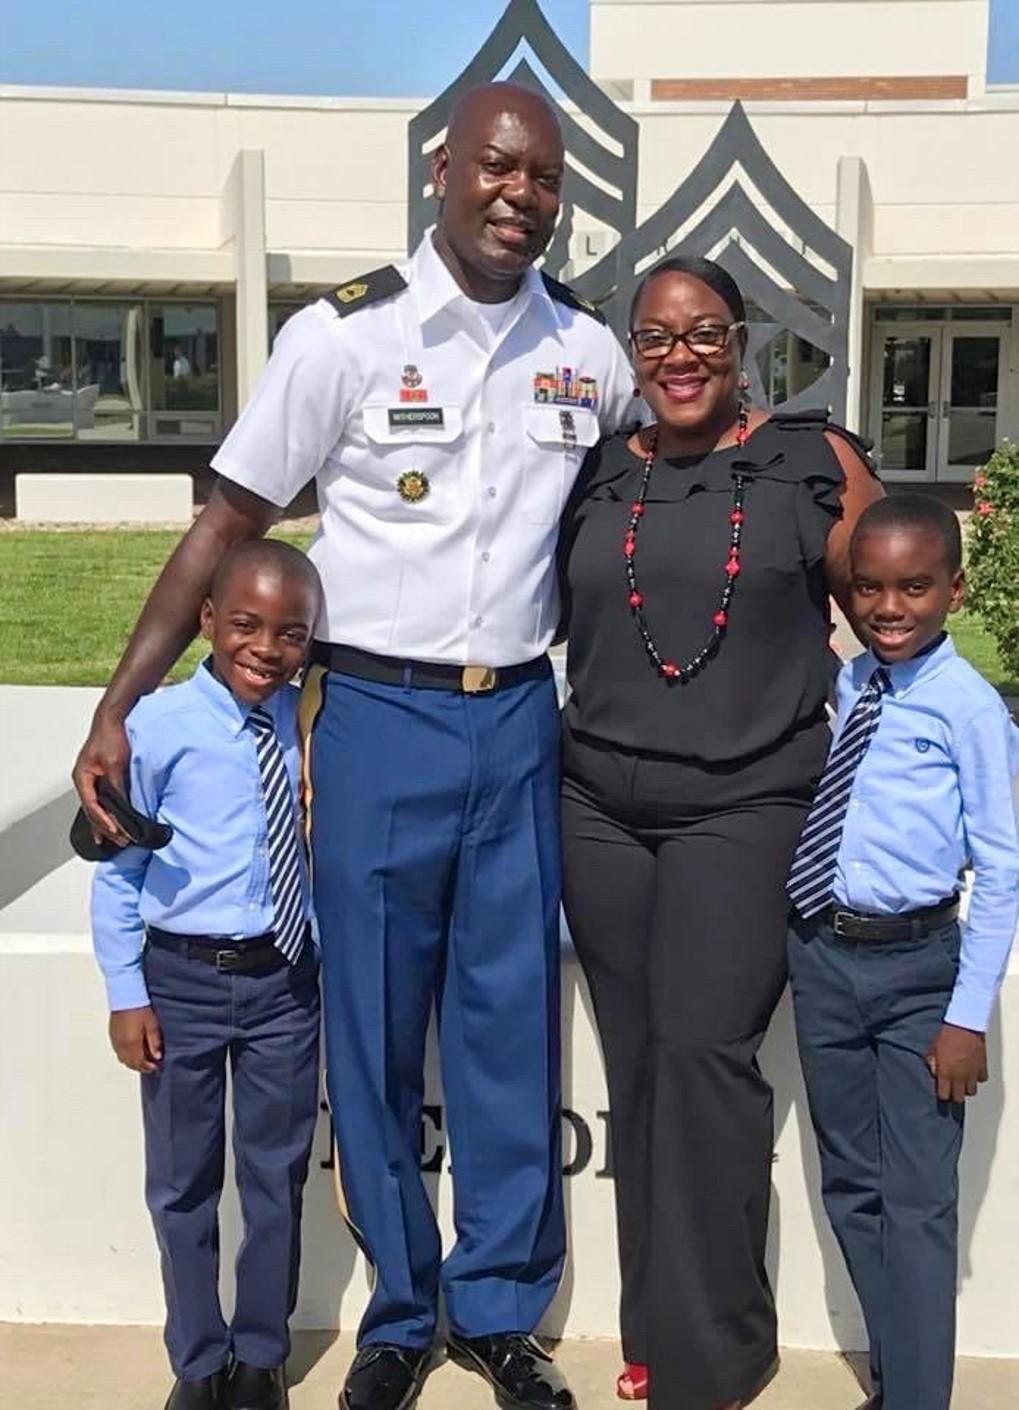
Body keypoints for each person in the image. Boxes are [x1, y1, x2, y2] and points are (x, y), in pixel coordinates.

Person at [73, 82, 638, 1410]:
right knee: (372, 1026)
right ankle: (397, 1313)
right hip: (375, 715)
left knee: (507, 1026)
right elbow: (223, 524)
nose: (518, 195)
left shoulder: (588, 353)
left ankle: (500, 1313)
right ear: (443, 170)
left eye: (543, 178)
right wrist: (117, 700)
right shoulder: (344, 340)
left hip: (516, 721)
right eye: (497, 167)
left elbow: (678, 462)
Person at [557, 254, 883, 1410]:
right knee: (640, 1070)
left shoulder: (810, 458)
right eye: (653, 337)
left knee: (704, 1059)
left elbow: (888, 613)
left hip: (747, 803)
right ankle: (651, 1335)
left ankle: (716, 1355)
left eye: (702, 334)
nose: (678, 356)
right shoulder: (597, 469)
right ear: (629, 352)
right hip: (595, 805)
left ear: (740, 341)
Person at [786, 495, 1019, 1410]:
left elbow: (1000, 873)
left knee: (917, 1206)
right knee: (850, 1184)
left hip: (919, 973)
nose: (887, 607)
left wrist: (965, 1017)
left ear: (952, 591)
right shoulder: (848, 687)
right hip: (823, 957)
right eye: (869, 588)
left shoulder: (967, 710)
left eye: (913, 588)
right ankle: (895, 1382)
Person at [90, 539, 324, 1410]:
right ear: (206, 623)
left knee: (275, 1175)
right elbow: (117, 870)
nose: (266, 647)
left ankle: (259, 1355)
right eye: (246, 626)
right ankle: (198, 1361)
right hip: (181, 981)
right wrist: (126, 994)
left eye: (290, 633)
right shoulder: (152, 730)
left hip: (284, 983)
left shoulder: (308, 724)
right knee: (184, 1183)